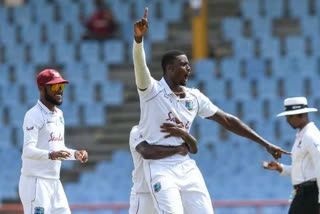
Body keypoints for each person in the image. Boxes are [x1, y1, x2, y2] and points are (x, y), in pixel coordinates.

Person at [133, 7, 290, 214]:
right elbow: (139, 65)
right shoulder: (151, 91)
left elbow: (227, 120)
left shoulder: (194, 97)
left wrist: (265, 143)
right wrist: (138, 40)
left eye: (189, 64)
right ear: (169, 68)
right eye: (183, 65)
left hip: (186, 165)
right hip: (160, 168)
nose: (189, 68)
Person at [19, 69, 88, 214]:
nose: (60, 91)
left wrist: (75, 154)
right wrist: (50, 155)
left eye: (61, 87)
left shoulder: (59, 115)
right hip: (36, 183)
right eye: (55, 87)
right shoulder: (33, 115)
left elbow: (59, 148)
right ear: (41, 88)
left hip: (55, 182)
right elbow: (28, 150)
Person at [263, 97, 320, 214]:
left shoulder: (311, 136)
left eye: (290, 116)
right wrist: (280, 168)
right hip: (303, 193)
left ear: (302, 114)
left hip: (309, 194)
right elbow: (304, 171)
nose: (287, 120)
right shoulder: (302, 136)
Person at [129, 121, 198, 214]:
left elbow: (193, 149)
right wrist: (177, 149)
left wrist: (184, 134)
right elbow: (147, 152)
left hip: (166, 191)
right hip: (144, 194)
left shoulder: (172, 130)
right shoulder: (137, 131)